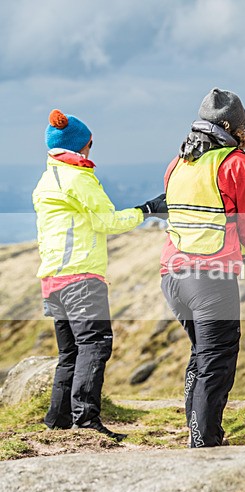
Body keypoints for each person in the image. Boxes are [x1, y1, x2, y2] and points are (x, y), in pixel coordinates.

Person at [34, 109, 167, 441]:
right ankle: (86, 420)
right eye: (91, 143)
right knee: (95, 344)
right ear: (82, 145)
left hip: (52, 279)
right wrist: (147, 209)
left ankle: (58, 419)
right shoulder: (78, 178)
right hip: (80, 277)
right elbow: (107, 222)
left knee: (71, 352)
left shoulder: (48, 179)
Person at [160, 88, 245, 447]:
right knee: (217, 362)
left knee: (202, 355)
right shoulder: (237, 164)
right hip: (210, 280)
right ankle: (205, 442)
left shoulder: (178, 163)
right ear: (238, 128)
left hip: (172, 276)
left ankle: (198, 435)